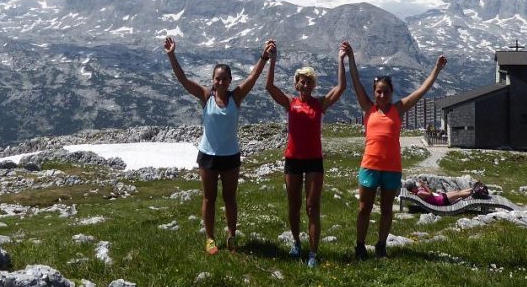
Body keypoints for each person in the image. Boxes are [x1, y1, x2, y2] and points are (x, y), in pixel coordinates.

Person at [164, 36, 271, 255]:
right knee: (209, 198)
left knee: (230, 198)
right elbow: (183, 80)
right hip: (208, 156)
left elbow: (253, 76)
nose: (220, 82)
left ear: (230, 80)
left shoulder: (236, 96)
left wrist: (264, 57)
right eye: (217, 79)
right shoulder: (206, 96)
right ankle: (210, 239)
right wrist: (172, 55)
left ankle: (231, 236)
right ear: (213, 80)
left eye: (224, 79)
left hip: (231, 156)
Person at [344, 41, 447, 259]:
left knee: (387, 209)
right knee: (364, 208)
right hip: (369, 165)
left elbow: (422, 90)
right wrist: (351, 58)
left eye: (386, 92)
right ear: (374, 93)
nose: (382, 96)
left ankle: (381, 245)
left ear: (391, 93)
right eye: (379, 92)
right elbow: (355, 82)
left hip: (391, 168)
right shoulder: (367, 108)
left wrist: (436, 70)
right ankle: (360, 246)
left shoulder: (398, 110)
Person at [264, 39, 347, 268]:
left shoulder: (320, 104)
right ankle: (296, 243)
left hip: (313, 161)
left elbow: (341, 88)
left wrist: (341, 60)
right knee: (294, 205)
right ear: (296, 84)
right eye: (302, 81)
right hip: (292, 159)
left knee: (312, 206)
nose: (306, 84)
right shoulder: (290, 103)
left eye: (309, 81)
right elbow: (269, 87)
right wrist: (272, 61)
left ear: (313, 85)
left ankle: (312, 252)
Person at [404, 179, 488, 205]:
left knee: (457, 191)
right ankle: (476, 191)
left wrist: (420, 186)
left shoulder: (416, 192)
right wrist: (424, 185)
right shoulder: (419, 193)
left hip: (439, 196)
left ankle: (474, 187)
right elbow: (429, 194)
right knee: (459, 194)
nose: (416, 186)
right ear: (412, 189)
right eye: (414, 186)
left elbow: (420, 191)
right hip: (441, 200)